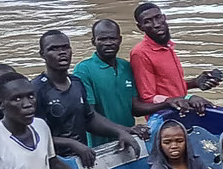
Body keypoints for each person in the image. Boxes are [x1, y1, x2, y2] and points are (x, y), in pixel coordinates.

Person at [33, 30, 142, 162]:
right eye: (53, 49)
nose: (62, 52)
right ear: (42, 54)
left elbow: (89, 119)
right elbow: (33, 136)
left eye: (65, 47)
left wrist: (123, 131)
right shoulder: (36, 90)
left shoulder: (76, 83)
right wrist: (71, 143)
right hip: (53, 162)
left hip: (82, 157)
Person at [130, 2, 222, 112]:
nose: (156, 24)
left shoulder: (168, 46)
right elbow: (148, 98)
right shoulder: (140, 53)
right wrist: (187, 98)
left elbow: (168, 87)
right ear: (140, 27)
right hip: (164, 116)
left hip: (180, 109)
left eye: (158, 17)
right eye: (148, 21)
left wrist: (195, 83)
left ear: (164, 17)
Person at [70, 19, 146, 142]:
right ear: (93, 41)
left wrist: (168, 102)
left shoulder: (126, 66)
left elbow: (135, 108)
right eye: (102, 39)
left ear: (120, 40)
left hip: (129, 139)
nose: (108, 43)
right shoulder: (83, 70)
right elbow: (90, 114)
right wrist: (126, 130)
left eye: (112, 38)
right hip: (101, 145)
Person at [143, 117, 211, 169]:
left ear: (186, 142)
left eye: (179, 141)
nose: (174, 146)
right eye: (167, 142)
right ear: (160, 145)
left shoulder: (196, 162)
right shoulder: (158, 168)